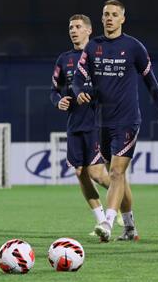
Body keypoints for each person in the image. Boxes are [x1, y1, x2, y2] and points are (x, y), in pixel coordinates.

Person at [73, 0, 158, 242]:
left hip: (128, 120)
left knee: (117, 173)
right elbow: (78, 78)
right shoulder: (92, 48)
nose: (109, 18)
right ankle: (130, 228)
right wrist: (78, 91)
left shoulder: (134, 47)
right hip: (101, 122)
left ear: (122, 19)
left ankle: (108, 222)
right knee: (117, 175)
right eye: (106, 14)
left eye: (114, 14)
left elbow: (151, 82)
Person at [50, 14, 124, 236]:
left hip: (97, 122)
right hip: (75, 123)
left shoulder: (100, 56)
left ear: (89, 31)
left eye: (78, 27)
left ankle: (119, 207)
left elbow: (112, 87)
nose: (73, 30)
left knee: (97, 173)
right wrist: (58, 101)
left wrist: (90, 94)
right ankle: (101, 220)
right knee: (80, 172)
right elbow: (54, 90)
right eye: (71, 27)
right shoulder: (64, 59)